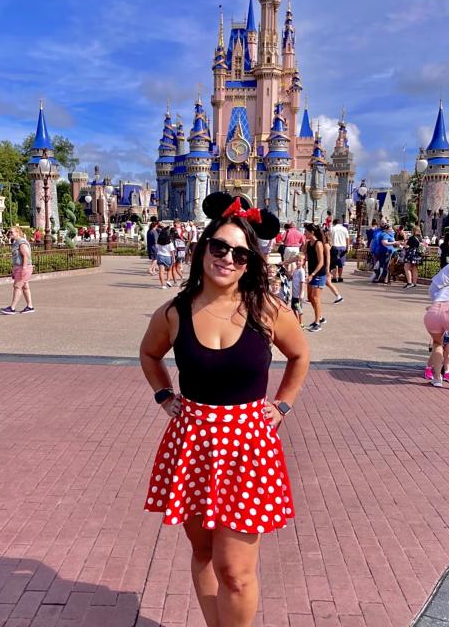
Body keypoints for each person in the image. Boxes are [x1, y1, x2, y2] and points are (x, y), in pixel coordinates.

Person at [140, 191, 309, 627]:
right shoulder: (175, 312)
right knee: (203, 552)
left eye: (240, 253)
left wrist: (283, 405)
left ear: (251, 263)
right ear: (203, 250)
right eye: (219, 247)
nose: (228, 258)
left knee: (235, 569)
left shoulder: (268, 309)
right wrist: (164, 395)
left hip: (247, 446)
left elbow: (299, 356)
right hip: (193, 441)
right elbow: (149, 354)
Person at [0, 226, 34, 315]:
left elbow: (26, 255)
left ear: (17, 232)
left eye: (12, 232)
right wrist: (14, 269)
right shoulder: (16, 242)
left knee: (17, 286)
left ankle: (12, 307)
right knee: (25, 286)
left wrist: (24, 268)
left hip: (23, 267)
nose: (10, 234)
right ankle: (30, 306)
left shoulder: (21, 242)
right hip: (18, 267)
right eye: (9, 232)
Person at [303, 223, 327, 332]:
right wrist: (285, 262)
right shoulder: (307, 244)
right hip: (312, 274)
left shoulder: (319, 244)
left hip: (319, 273)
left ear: (311, 232)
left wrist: (312, 274)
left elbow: (321, 262)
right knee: (310, 297)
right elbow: (300, 256)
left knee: (316, 298)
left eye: (306, 231)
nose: (304, 233)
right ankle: (320, 317)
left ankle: (317, 323)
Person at [329, 219, 350, 283]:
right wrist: (347, 247)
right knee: (341, 264)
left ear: (334, 223)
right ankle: (340, 277)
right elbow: (347, 239)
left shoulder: (332, 229)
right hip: (343, 247)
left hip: (334, 247)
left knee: (334, 263)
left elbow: (329, 238)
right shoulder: (344, 229)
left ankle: (334, 277)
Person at [290, 254, 306, 325]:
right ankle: (296, 322)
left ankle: (301, 323)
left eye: (300, 261)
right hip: (294, 294)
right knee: (293, 308)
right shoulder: (296, 269)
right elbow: (292, 278)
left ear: (303, 262)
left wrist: (301, 293)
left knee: (299, 310)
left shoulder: (301, 271)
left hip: (298, 295)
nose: (297, 262)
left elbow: (302, 282)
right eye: (296, 260)